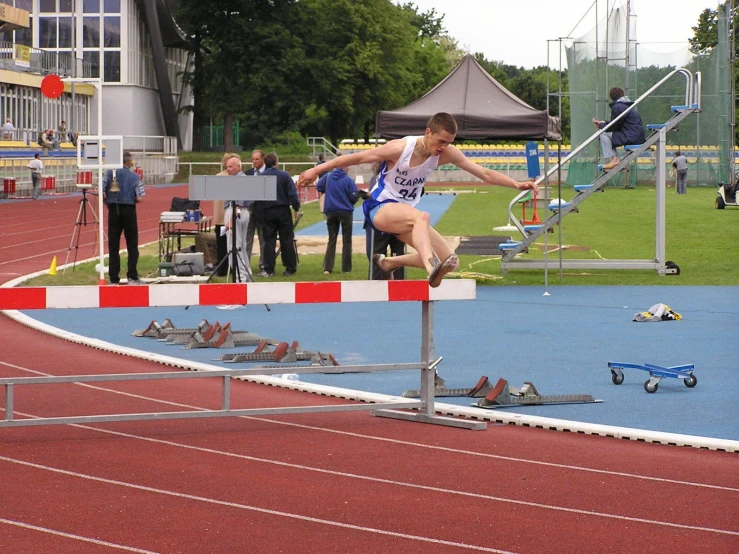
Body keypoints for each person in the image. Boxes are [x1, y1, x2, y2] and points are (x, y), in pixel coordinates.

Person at [298, 112, 538, 287]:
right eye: (441, 141)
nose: (444, 148)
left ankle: (389, 263)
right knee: (421, 218)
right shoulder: (399, 148)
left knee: (452, 261)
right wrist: (316, 171)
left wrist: (516, 183)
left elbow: (484, 173)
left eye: (449, 143)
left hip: (404, 215)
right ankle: (429, 267)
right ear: (428, 132)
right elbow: (354, 158)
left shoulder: (446, 153)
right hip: (379, 208)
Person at [316, 152, 364, 274]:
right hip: (345, 212)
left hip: (331, 211)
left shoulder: (327, 177)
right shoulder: (348, 180)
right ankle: (346, 268)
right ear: (343, 166)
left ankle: (327, 267)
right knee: (347, 241)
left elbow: (319, 186)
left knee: (331, 239)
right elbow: (353, 197)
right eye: (347, 166)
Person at [103, 150, 145, 285]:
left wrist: (108, 201)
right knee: (132, 244)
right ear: (129, 162)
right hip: (128, 210)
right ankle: (132, 276)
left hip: (113, 210)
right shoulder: (135, 177)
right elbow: (140, 198)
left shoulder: (109, 173)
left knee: (113, 245)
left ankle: (113, 278)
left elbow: (101, 189)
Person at [260, 152, 301, 277]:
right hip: (283, 210)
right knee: (287, 240)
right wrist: (296, 208)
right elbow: (292, 194)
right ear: (276, 163)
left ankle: (268, 269)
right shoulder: (284, 175)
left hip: (268, 210)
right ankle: (290, 267)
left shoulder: (261, 177)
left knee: (269, 241)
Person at [592, 86, 646, 170]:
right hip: (636, 135)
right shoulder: (626, 105)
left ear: (611, 97)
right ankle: (615, 160)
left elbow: (614, 127)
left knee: (603, 133)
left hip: (632, 136)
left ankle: (614, 160)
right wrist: (604, 123)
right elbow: (617, 123)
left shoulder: (618, 107)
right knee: (604, 131)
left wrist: (600, 126)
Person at [222, 154, 251, 282]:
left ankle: (241, 278)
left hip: (236, 212)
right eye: (227, 167)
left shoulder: (239, 180)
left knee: (234, 247)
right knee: (242, 247)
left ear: (238, 167)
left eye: (230, 167)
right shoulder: (244, 178)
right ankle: (247, 276)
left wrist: (232, 219)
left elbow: (238, 202)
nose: (228, 169)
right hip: (243, 213)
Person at [245, 149, 266, 273]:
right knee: (248, 238)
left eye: (257, 159)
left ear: (262, 159)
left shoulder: (268, 173)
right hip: (250, 210)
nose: (254, 162)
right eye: (253, 159)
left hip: (263, 211)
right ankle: (246, 264)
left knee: (263, 239)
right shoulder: (248, 173)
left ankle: (263, 264)